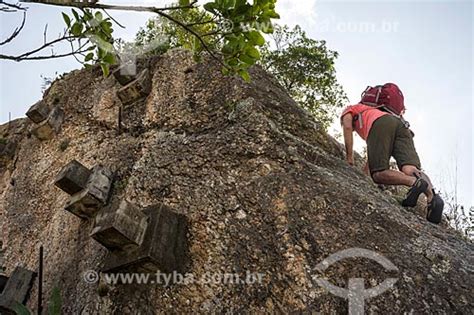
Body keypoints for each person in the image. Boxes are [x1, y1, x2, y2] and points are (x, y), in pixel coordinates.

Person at [340, 83, 444, 223]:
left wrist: (349, 159)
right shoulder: (379, 111)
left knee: (379, 174)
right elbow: (374, 158)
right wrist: (364, 177)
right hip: (402, 125)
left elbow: (347, 127)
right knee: (410, 168)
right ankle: (432, 197)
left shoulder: (351, 109)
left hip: (381, 125)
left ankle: (413, 182)